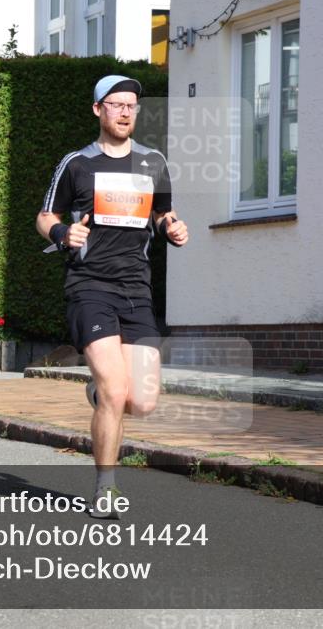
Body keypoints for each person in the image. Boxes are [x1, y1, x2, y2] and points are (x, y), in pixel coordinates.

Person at [36, 75, 188, 518]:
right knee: (116, 387)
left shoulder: (153, 162)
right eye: (116, 104)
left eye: (132, 106)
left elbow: (163, 213)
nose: (125, 112)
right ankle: (105, 488)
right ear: (98, 109)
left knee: (141, 400)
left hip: (136, 288)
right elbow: (45, 216)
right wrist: (64, 233)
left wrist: (173, 228)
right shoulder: (77, 164)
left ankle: (101, 394)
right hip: (90, 287)